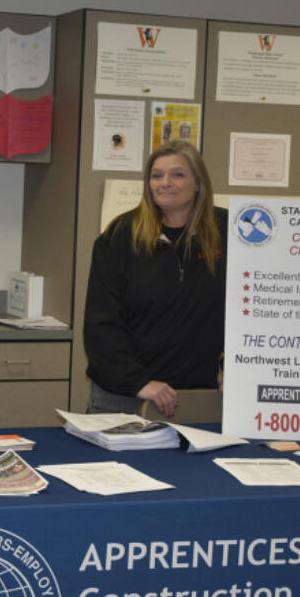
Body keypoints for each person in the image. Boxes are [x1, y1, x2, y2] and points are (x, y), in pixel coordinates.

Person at [83, 140, 227, 417]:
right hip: (125, 396)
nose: (165, 183)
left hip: (196, 394)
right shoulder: (121, 236)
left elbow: (246, 315)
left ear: (199, 183)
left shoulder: (229, 234)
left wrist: (238, 370)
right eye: (156, 175)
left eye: (178, 174)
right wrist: (139, 383)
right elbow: (101, 323)